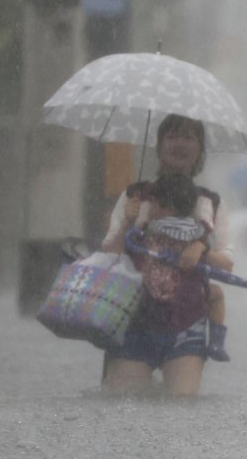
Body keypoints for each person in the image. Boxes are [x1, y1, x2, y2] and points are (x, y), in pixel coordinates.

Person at [99, 114, 233, 397]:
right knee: (121, 404)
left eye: (188, 138)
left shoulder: (209, 203)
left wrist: (202, 250)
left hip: (187, 323)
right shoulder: (135, 197)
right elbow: (108, 256)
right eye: (172, 137)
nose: (180, 145)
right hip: (133, 321)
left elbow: (227, 264)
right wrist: (126, 222)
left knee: (181, 404)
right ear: (159, 146)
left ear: (199, 149)